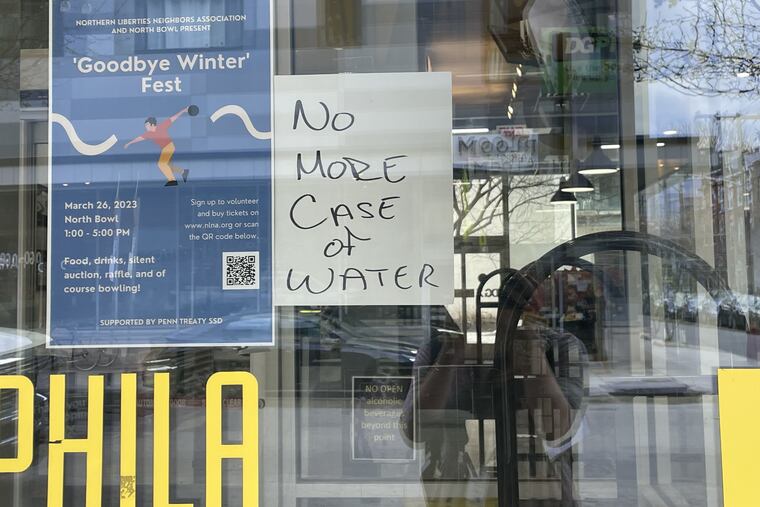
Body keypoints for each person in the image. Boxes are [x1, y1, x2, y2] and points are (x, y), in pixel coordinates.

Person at [124, 108, 190, 186]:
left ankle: (172, 180)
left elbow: (173, 118)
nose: (146, 127)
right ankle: (183, 171)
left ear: (152, 125)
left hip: (169, 146)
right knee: (169, 167)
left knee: (161, 164)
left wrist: (184, 110)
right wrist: (129, 143)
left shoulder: (162, 126)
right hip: (165, 149)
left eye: (147, 125)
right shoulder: (149, 134)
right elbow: (139, 138)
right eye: (145, 126)